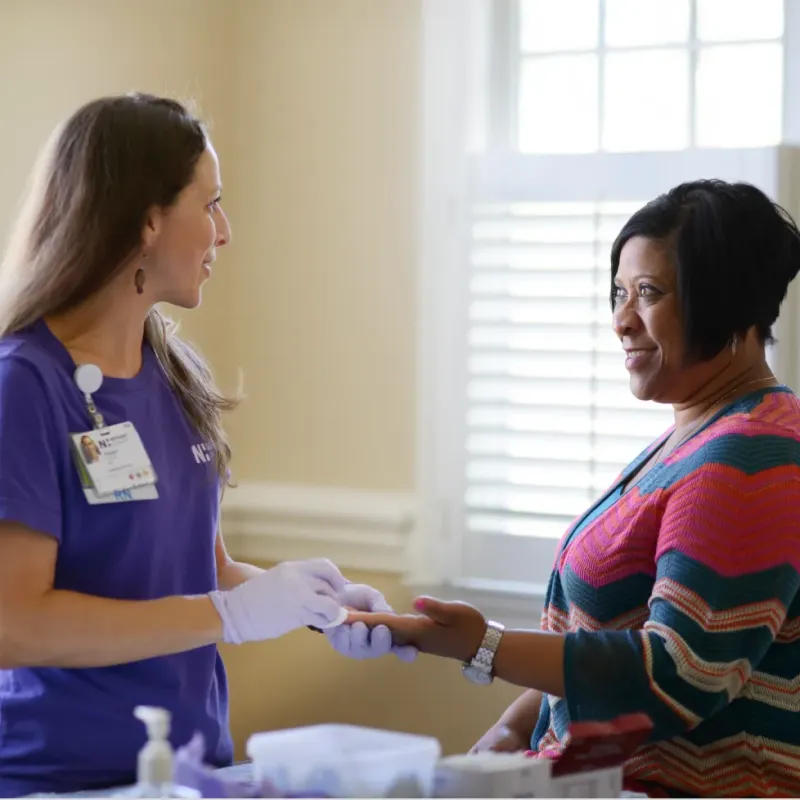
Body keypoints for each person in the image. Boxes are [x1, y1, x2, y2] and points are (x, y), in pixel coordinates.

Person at [0, 93, 412, 798]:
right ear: (147, 220)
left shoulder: (173, 374)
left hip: (193, 771)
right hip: (58, 778)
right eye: (210, 203)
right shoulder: (25, 386)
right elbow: (15, 623)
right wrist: (232, 616)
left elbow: (202, 569)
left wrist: (319, 604)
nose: (224, 231)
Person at [352, 180, 800, 798]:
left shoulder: (751, 454)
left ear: (727, 302)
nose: (621, 321)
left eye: (648, 293)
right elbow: (603, 642)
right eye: (619, 292)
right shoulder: (691, 440)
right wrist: (515, 730)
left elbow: (678, 675)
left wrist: (483, 645)